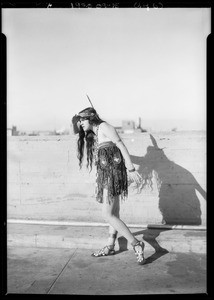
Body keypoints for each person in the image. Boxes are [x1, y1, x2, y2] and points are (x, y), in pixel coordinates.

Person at [72, 107, 145, 264]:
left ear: (90, 118)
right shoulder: (97, 132)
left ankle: (136, 244)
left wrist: (131, 168)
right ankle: (110, 246)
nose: (80, 123)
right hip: (108, 176)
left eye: (82, 120)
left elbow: (121, 145)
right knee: (114, 214)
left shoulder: (105, 127)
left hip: (113, 176)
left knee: (107, 214)